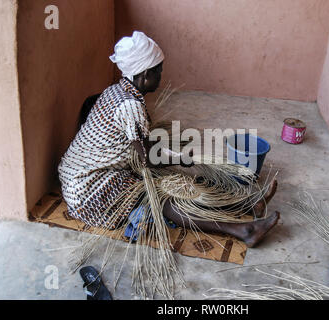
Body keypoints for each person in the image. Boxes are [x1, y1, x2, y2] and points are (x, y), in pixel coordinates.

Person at [58, 31, 279, 248]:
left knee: (170, 183)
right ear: (144, 75)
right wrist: (179, 159)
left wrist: (174, 156)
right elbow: (149, 160)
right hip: (89, 192)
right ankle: (245, 230)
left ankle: (248, 205)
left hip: (76, 176)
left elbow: (142, 146)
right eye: (158, 71)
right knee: (163, 197)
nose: (161, 76)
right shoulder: (130, 106)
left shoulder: (115, 91)